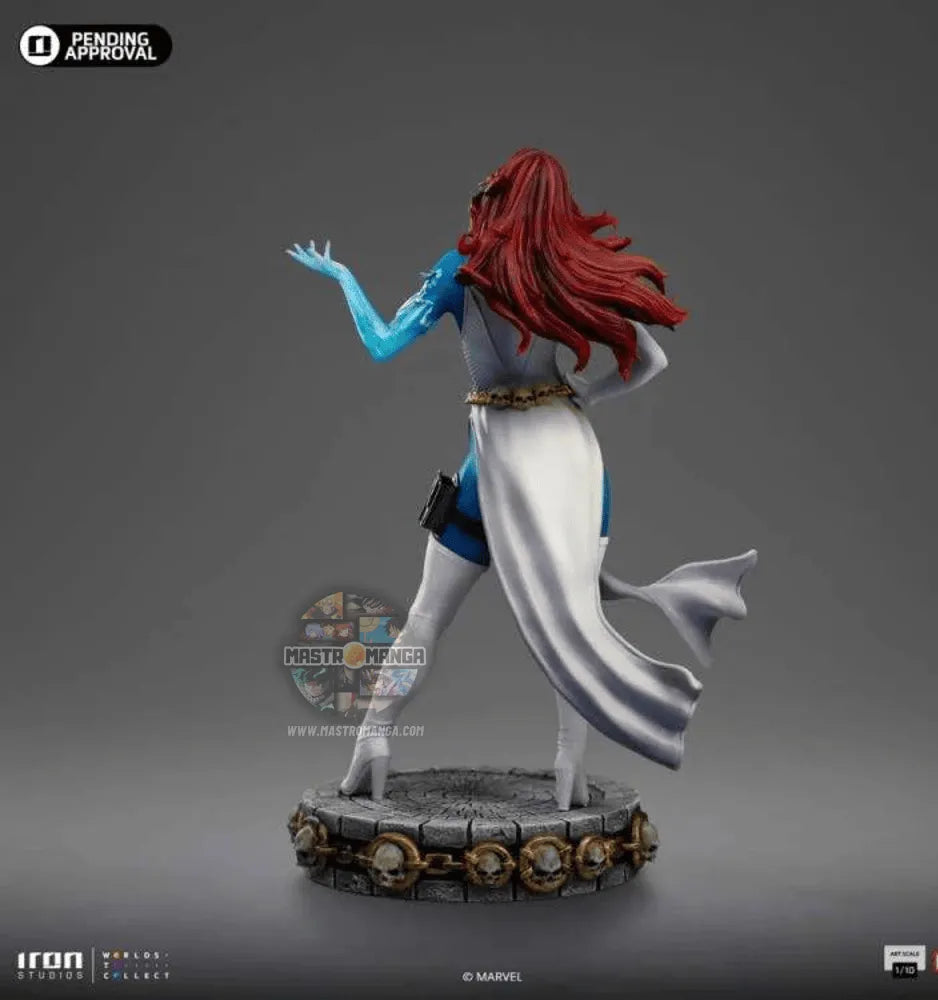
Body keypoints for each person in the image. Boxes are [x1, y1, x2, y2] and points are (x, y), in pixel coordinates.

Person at [287, 148, 756, 809]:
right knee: (575, 622)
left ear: (498, 196)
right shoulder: (567, 270)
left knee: (425, 616)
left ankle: (373, 738)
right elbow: (651, 360)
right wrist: (589, 393)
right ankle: (569, 766)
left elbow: (382, 343)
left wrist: (342, 277)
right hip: (573, 467)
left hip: (492, 467)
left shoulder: (462, 272)